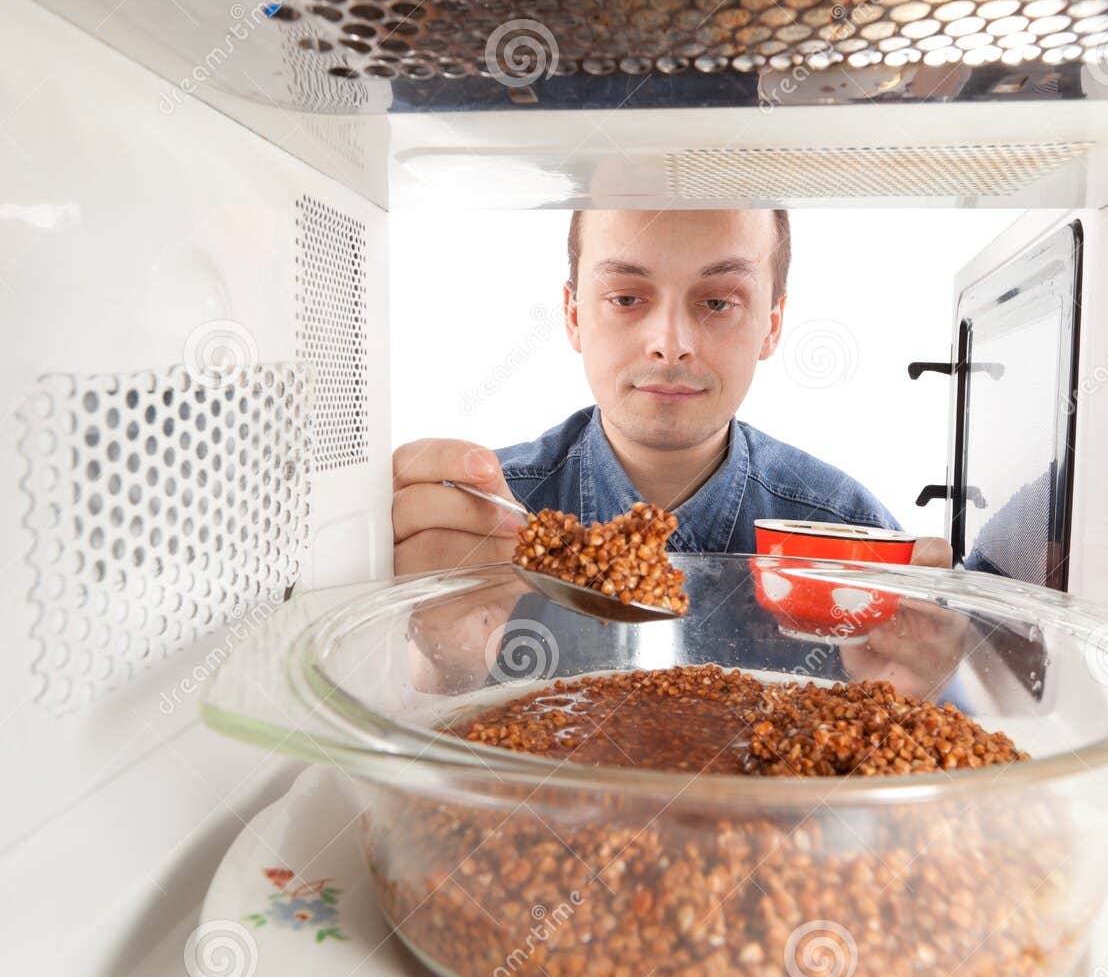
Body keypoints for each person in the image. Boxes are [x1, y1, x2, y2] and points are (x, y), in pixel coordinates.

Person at [391, 209, 967, 701]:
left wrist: (909, 697)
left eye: (717, 302)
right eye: (625, 297)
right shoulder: (480, 521)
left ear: (771, 324)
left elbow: (930, 788)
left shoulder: (848, 536)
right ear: (573, 315)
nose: (671, 341)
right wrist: (446, 666)